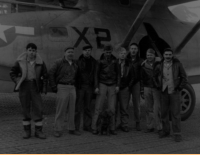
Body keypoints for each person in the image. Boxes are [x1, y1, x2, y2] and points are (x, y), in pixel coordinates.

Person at [10, 43, 47, 139]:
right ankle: (27, 131)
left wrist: (43, 87)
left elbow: (45, 75)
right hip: (24, 86)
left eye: (33, 51)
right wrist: (18, 81)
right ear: (26, 51)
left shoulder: (40, 62)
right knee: (25, 108)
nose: (31, 52)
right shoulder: (20, 61)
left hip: (35, 86)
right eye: (30, 50)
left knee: (38, 108)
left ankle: (38, 131)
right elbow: (12, 72)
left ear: (36, 52)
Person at [154, 48, 187, 142]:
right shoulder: (159, 65)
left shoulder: (178, 64)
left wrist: (179, 88)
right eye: (166, 54)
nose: (168, 56)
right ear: (163, 56)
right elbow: (154, 76)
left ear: (172, 55)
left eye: (169, 54)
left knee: (175, 113)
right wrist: (158, 85)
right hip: (164, 91)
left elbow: (184, 77)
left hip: (174, 91)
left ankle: (177, 133)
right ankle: (165, 131)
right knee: (164, 113)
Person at [49, 47, 80, 137]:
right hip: (62, 86)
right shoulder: (59, 62)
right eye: (68, 52)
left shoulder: (75, 64)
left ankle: (71, 128)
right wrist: (54, 86)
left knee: (72, 109)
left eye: (72, 52)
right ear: (64, 53)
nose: (70, 54)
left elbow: (77, 76)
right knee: (61, 109)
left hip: (72, 87)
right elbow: (51, 73)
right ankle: (58, 129)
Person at [92, 44, 120, 135]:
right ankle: (95, 127)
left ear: (111, 51)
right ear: (103, 51)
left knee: (112, 108)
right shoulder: (99, 61)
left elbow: (118, 74)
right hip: (102, 84)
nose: (108, 54)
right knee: (98, 107)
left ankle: (112, 127)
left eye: (109, 52)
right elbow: (96, 74)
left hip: (112, 84)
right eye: (106, 52)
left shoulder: (115, 61)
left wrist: (118, 85)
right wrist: (96, 86)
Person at [75, 45, 96, 133]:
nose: (87, 52)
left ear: (91, 51)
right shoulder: (77, 62)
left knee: (87, 107)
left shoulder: (94, 62)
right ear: (82, 51)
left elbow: (95, 75)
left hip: (89, 87)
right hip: (80, 86)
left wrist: (95, 86)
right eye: (86, 50)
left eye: (89, 50)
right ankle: (76, 127)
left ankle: (87, 125)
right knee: (78, 107)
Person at [140, 48, 162, 133]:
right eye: (148, 55)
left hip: (156, 88)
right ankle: (150, 126)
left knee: (157, 108)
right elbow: (141, 78)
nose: (149, 56)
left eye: (151, 55)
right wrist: (142, 90)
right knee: (148, 108)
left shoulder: (159, 64)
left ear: (154, 55)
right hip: (147, 87)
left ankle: (159, 127)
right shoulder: (143, 65)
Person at [117, 47, 133, 132]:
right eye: (121, 53)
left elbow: (133, 76)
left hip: (125, 87)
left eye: (124, 53)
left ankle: (124, 124)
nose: (123, 55)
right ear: (118, 54)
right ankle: (113, 124)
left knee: (124, 107)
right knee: (114, 107)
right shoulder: (114, 63)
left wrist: (128, 86)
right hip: (115, 87)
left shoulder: (129, 64)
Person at [128, 43, 143, 131]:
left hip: (136, 83)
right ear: (129, 50)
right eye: (132, 48)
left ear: (137, 50)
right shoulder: (126, 60)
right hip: (127, 83)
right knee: (125, 104)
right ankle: (124, 122)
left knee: (136, 104)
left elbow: (142, 75)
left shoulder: (141, 61)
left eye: (135, 49)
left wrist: (141, 88)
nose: (133, 50)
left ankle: (138, 122)